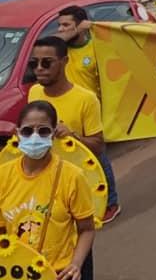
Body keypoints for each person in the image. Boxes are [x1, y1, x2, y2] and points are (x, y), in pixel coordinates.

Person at [0, 100, 96, 280]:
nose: (35, 137)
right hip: (19, 273)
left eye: (43, 131)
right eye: (28, 131)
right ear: (17, 133)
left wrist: (75, 264)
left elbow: (87, 229)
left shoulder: (72, 177)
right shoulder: (3, 176)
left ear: (53, 135)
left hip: (59, 273)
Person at [56, 6, 121, 223]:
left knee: (98, 157)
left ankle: (111, 202)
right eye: (59, 24)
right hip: (66, 111)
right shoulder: (59, 49)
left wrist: (92, 27)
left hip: (90, 111)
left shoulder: (96, 48)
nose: (61, 29)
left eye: (66, 25)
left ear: (80, 26)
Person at [27, 36, 104, 157]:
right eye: (33, 63)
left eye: (46, 63)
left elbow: (98, 147)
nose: (39, 68)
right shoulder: (34, 92)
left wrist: (72, 136)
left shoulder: (87, 99)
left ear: (64, 61)